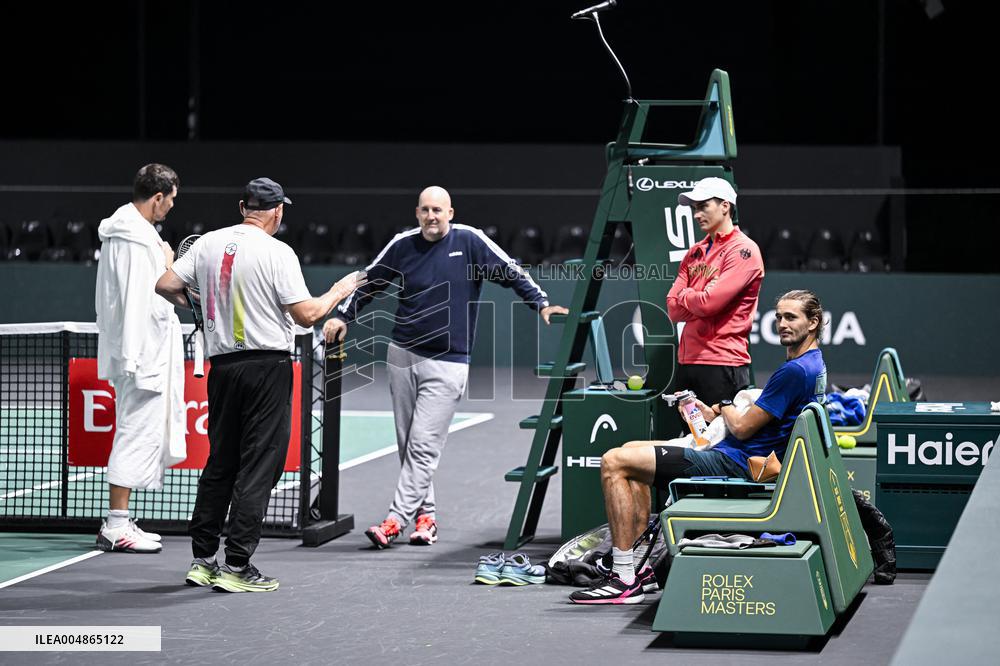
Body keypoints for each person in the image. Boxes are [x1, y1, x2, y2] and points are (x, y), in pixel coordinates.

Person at [323, 185, 568, 549]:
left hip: (448, 363)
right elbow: (370, 281)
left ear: (450, 213)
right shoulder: (403, 244)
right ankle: (427, 518)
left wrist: (541, 303)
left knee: (423, 445)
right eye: (425, 210)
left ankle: (395, 521)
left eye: (437, 210)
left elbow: (512, 271)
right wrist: (343, 316)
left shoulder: (470, 241)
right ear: (417, 213)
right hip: (402, 357)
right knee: (409, 444)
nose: (431, 216)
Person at [155, 177, 366, 592]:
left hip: (222, 370)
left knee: (221, 463)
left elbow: (165, 285)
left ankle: (203, 560)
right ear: (278, 211)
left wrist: (197, 301)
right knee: (258, 466)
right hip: (267, 369)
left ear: (242, 207)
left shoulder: (207, 243)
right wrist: (338, 291)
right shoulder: (277, 251)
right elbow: (307, 315)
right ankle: (237, 565)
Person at [570, 290, 827, 604]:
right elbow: (765, 415)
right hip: (741, 455)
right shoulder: (813, 364)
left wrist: (726, 402)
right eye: (779, 317)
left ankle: (623, 577)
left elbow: (743, 428)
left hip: (734, 463)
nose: (782, 324)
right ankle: (640, 568)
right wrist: (717, 412)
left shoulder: (794, 371)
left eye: (791, 317)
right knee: (630, 449)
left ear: (813, 322)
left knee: (614, 461)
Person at [94, 163, 184, 554]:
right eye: (171, 200)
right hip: (142, 354)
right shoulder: (134, 238)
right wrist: (169, 264)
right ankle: (116, 525)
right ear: (157, 196)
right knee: (132, 433)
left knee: (137, 431)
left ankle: (122, 519)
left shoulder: (136, 232)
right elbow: (137, 297)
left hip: (143, 351)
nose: (172, 207)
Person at [666, 177, 764, 406]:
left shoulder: (743, 250)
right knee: (689, 430)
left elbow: (708, 303)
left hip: (723, 363)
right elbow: (673, 309)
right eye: (694, 208)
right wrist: (699, 298)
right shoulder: (694, 252)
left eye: (703, 206)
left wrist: (688, 295)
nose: (696, 214)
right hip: (688, 362)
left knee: (720, 430)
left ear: (725, 206)